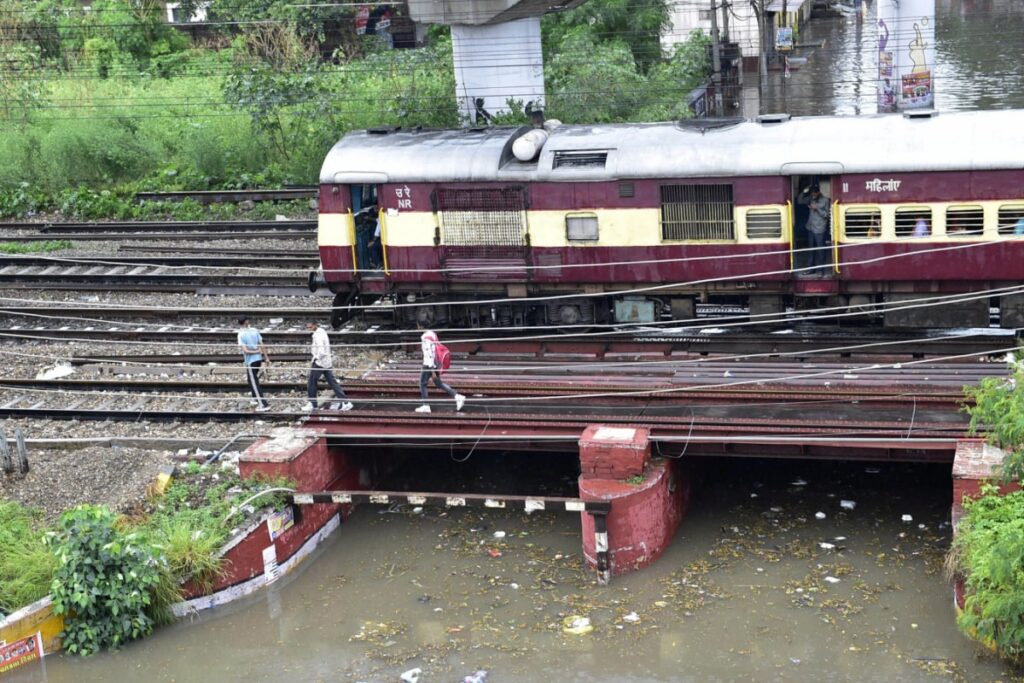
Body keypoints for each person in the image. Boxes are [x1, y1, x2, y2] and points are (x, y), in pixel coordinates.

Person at [415, 321, 465, 414]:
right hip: (435, 363)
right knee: (439, 384)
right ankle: (458, 397)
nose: (417, 328)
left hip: (428, 365)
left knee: (422, 384)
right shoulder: (432, 334)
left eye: (417, 326)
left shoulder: (425, 338)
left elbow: (429, 354)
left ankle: (426, 406)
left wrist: (432, 370)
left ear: (421, 327)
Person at [302, 321, 353, 412]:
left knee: (311, 383)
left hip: (320, 363)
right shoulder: (322, 331)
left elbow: (321, 352)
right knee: (333, 382)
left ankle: (313, 404)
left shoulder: (317, 336)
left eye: (310, 327)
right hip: (327, 362)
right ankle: (346, 402)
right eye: (307, 327)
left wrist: (316, 359)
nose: (308, 329)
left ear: (315, 325)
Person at [237, 316, 271, 412]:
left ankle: (263, 404)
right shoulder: (254, 330)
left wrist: (256, 351)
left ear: (239, 323)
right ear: (247, 321)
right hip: (258, 360)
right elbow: (262, 345)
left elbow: (245, 350)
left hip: (251, 361)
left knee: (253, 382)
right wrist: (266, 357)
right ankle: (254, 398)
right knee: (251, 379)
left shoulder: (241, 334)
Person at [797, 184, 831, 277]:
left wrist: (817, 209)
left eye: (815, 193)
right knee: (811, 250)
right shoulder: (810, 198)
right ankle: (811, 269)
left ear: (818, 192)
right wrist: (804, 191)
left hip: (820, 229)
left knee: (820, 251)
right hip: (810, 228)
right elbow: (799, 200)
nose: (813, 195)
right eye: (812, 193)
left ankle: (821, 271)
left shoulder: (825, 200)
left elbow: (827, 215)